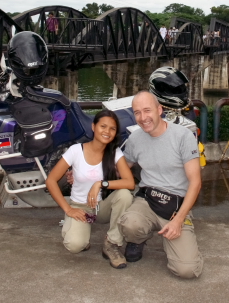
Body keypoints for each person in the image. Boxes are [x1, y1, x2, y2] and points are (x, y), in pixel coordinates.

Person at [118, 90, 203, 279]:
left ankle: (175, 237)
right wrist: (84, 170)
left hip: (176, 204)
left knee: (187, 270)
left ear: (159, 109)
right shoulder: (135, 138)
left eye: (147, 110)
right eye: (137, 112)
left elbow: (195, 182)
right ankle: (138, 239)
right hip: (147, 199)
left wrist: (179, 220)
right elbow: (120, 167)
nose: (143, 117)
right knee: (129, 224)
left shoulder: (183, 136)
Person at [46, 109, 135, 269]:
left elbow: (129, 183)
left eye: (112, 129)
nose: (107, 131)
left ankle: (112, 243)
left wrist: (100, 184)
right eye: (103, 126)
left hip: (103, 206)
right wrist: (68, 209)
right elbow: (51, 180)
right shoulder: (76, 151)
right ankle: (77, 230)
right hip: (81, 207)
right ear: (93, 127)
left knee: (125, 195)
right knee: (75, 245)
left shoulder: (115, 152)